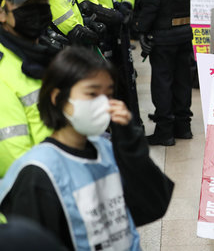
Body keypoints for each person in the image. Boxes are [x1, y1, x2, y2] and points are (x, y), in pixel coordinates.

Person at [0, 47, 174, 250]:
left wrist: (129, 144)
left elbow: (153, 205)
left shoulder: (106, 150)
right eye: (92, 94)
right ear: (58, 98)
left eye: (108, 94)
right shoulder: (38, 172)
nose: (103, 103)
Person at [136, 0, 194, 146]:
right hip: (185, 32)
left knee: (162, 82)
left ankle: (165, 132)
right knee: (182, 81)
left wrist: (142, 31)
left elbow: (150, 6)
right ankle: (184, 127)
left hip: (163, 36)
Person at [0, 0, 54, 178]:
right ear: (2, 13)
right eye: (27, 5)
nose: (37, 10)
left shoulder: (44, 54)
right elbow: (15, 159)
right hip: (30, 198)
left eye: (42, 3)